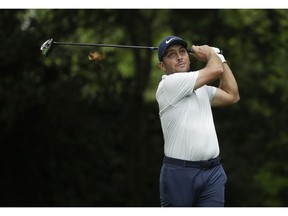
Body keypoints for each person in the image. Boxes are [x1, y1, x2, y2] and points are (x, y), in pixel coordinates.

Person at [156, 35, 240, 207]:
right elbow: (215, 71)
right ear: (162, 66)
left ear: (188, 56)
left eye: (182, 52)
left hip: (213, 172)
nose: (179, 57)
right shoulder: (169, 85)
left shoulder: (201, 89)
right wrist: (212, 54)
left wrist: (220, 58)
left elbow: (232, 95)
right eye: (171, 54)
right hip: (180, 172)